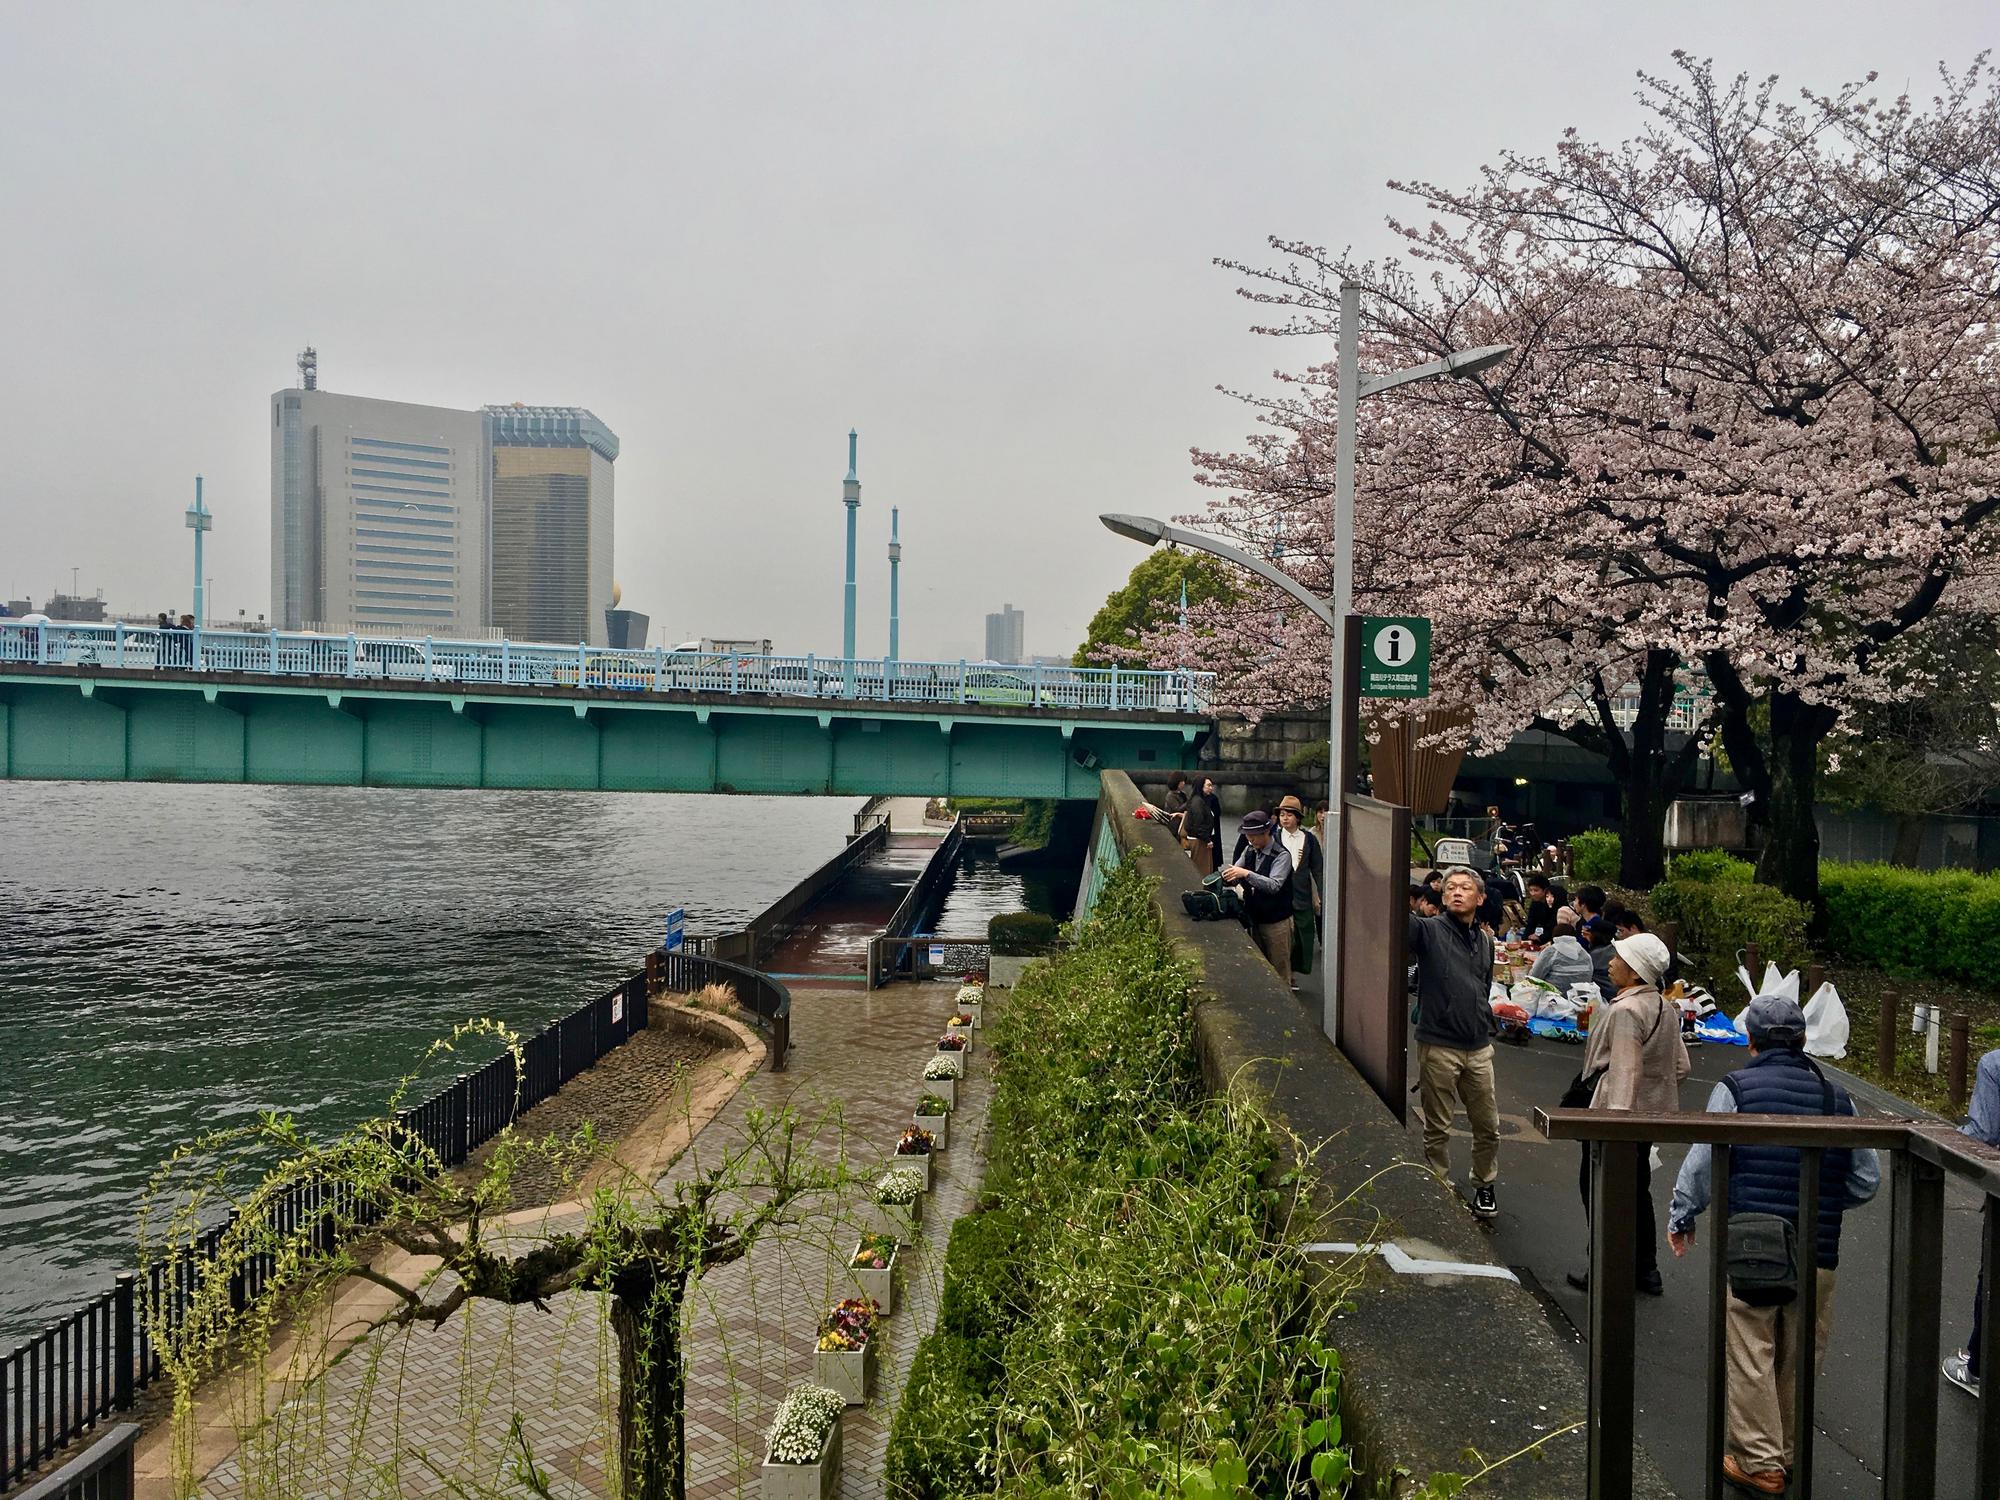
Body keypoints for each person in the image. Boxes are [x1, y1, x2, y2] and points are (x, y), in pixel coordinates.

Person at [1668, 996, 1881, 1496]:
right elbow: (1867, 1179)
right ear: (1804, 1040)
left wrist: (1683, 1212)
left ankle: (1760, 1462)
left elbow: (1704, 1159)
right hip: (1818, 1247)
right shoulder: (1837, 1096)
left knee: (1750, 1347)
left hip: (1753, 1242)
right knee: (1799, 1353)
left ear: (1750, 1040)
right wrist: (1826, 1201)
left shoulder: (1736, 1088)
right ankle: (1785, 1452)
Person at [1566, 932, 1688, 1297]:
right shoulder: (1665, 1007)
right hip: (1648, 1115)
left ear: (1636, 972)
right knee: (1637, 1191)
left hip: (1615, 1115)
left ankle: (1604, 1269)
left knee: (1600, 1190)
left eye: (1619, 958)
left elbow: (1624, 1071)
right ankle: (1646, 1269)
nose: (1611, 963)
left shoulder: (1625, 1010)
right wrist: (1655, 1090)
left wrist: (1615, 1121)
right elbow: (1681, 1066)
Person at [1407, 866, 1502, 1217]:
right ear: (1442, 897)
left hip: (1478, 1047)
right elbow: (1399, 924)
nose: (1457, 892)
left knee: (1488, 1125)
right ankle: (1437, 1183)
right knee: (1438, 1126)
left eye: (1465, 888)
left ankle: (1485, 1183)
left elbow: (1484, 985)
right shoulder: (1428, 931)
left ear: (1480, 898)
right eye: (1450, 888)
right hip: (1439, 1044)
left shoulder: (1486, 941)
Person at [1943, 1047, 2000, 1397]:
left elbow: (1983, 1134)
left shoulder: (1995, 1064)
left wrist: (1949, 1134)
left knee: (1993, 1278)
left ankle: (1979, 1367)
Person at [1220, 810, 1295, 985]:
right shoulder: (1249, 850)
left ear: (1266, 832)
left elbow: (1274, 885)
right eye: (1247, 835)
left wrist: (1246, 874)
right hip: (1255, 918)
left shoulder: (1282, 855)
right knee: (1259, 970)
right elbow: (1236, 870)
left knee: (1279, 969)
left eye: (1253, 836)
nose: (1250, 840)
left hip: (1277, 922)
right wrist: (1229, 876)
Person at [1274, 795, 1324, 981]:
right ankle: (1287, 974)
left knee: (1304, 934)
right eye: (1282, 815)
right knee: (1284, 937)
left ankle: (1295, 969)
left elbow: (1317, 868)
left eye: (1289, 815)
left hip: (1303, 893)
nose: (1285, 818)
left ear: (1298, 817)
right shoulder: (1274, 837)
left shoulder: (1309, 839)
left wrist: (1320, 892)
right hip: (1280, 894)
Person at [1528, 916, 1593, 993]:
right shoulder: (1584, 953)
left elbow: (1533, 977)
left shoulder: (1551, 951)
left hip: (1553, 1000)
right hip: (1580, 999)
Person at [1182, 775, 1219, 876]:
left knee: (1205, 868)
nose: (1211, 788)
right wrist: (1207, 839)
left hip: (1201, 838)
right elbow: (1197, 825)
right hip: (1199, 840)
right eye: (1208, 785)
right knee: (1201, 870)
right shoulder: (1197, 802)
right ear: (1201, 786)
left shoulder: (1200, 800)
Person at [1522, 873, 1558, 944]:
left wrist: (1540, 937)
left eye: (1536, 890)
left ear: (1545, 890)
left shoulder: (1554, 903)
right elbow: (1530, 924)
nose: (1532, 893)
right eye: (1531, 890)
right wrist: (1525, 939)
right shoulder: (1535, 904)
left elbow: (1554, 926)